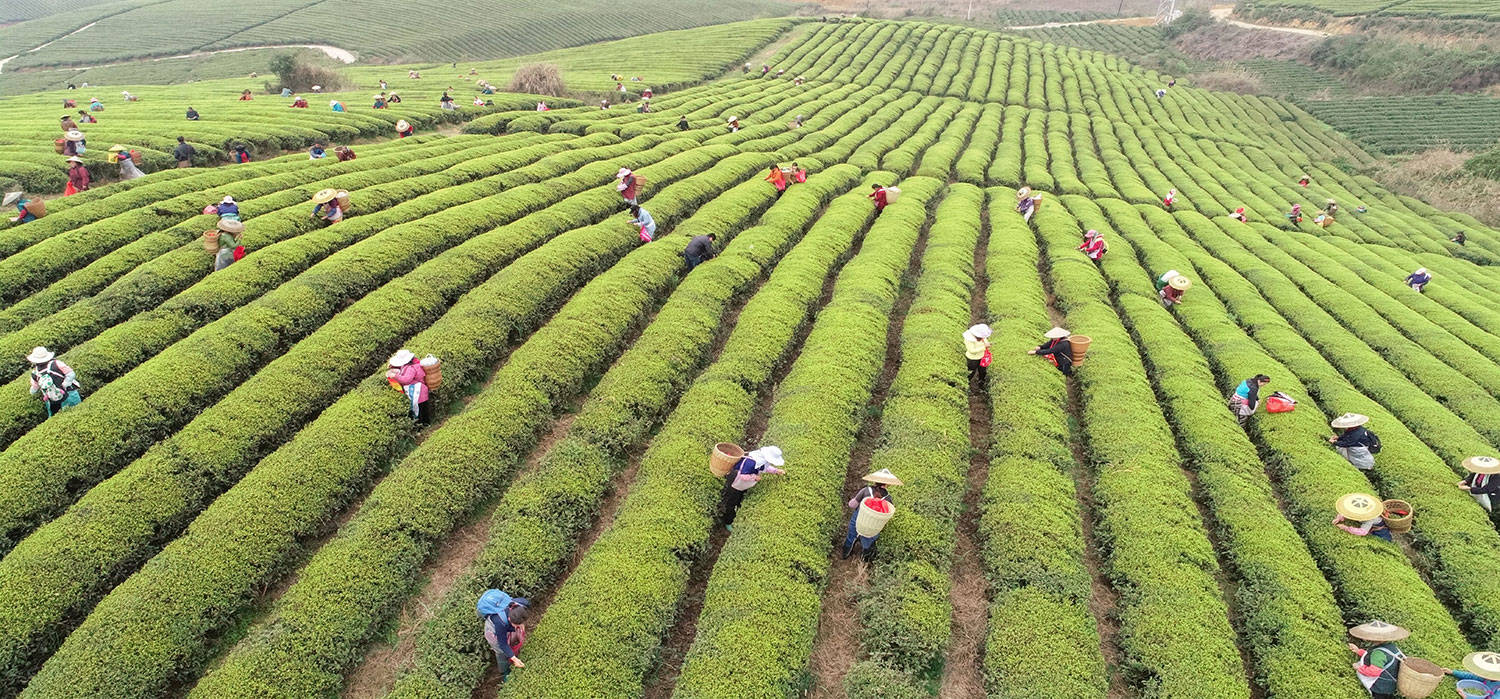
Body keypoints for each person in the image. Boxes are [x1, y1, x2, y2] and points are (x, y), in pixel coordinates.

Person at [719, 445, 786, 530]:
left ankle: (738, 508)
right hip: (736, 480)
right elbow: (743, 476)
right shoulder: (751, 462)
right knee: (731, 501)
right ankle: (728, 521)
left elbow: (764, 467)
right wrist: (754, 477)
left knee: (740, 496)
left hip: (742, 483)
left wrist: (776, 471)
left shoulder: (760, 458)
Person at [842, 469, 901, 561]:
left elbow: (852, 505)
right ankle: (864, 561)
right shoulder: (888, 498)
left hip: (859, 519)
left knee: (851, 537)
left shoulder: (866, 490)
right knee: (868, 542)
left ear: (875, 481)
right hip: (874, 525)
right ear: (887, 484)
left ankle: (845, 555)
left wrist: (852, 500)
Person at [476, 589, 529, 681]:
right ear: (509, 619)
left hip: (505, 622)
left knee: (515, 636)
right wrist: (514, 659)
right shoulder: (500, 622)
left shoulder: (520, 605)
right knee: (501, 652)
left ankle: (513, 652)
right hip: (493, 632)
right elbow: (502, 643)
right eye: (516, 624)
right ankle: (505, 672)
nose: (519, 626)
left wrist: (520, 625)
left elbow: (526, 602)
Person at [1346, 620, 1408, 698]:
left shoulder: (1378, 653)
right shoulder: (1391, 646)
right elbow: (1373, 657)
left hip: (1380, 688)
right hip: (1390, 686)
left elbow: (1373, 671)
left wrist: (1358, 668)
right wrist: (1358, 651)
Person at [27, 347, 82, 418]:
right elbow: (71, 374)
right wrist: (65, 384)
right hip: (68, 393)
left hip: (51, 399)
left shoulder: (35, 373)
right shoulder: (57, 363)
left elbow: (34, 388)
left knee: (57, 418)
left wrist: (31, 392)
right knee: (76, 413)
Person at [385, 348, 431, 422]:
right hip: (422, 391)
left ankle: (421, 426)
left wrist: (394, 376)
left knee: (419, 410)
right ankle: (427, 423)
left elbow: (406, 379)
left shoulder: (411, 368)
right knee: (424, 409)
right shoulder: (415, 364)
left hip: (418, 392)